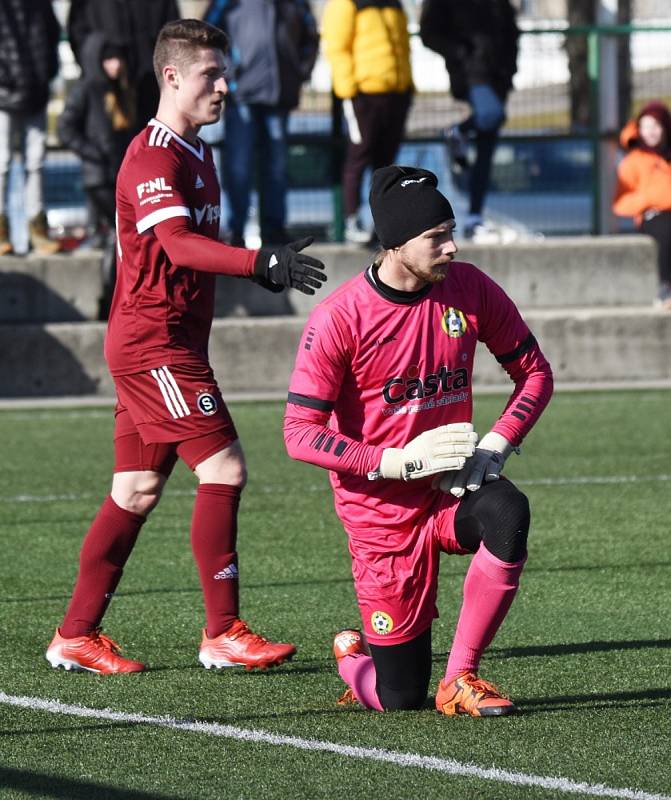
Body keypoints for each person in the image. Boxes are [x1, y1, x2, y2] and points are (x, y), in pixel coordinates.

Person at [46, 18, 327, 674]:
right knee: (224, 469)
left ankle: (74, 635)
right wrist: (257, 261)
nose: (225, 87)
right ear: (171, 76)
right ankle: (222, 632)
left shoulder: (198, 152)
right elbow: (176, 245)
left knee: (136, 490)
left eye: (225, 73)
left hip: (169, 343)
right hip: (154, 347)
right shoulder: (153, 156)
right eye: (211, 75)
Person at [284, 165, 553, 715]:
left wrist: (495, 446)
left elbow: (535, 374)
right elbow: (298, 435)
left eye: (452, 232)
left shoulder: (470, 287)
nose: (452, 247)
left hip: (448, 493)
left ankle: (461, 679)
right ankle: (354, 660)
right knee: (398, 698)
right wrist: (397, 462)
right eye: (437, 237)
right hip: (380, 517)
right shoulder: (339, 318)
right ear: (396, 242)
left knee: (507, 511)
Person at [204, 0, 319, 247]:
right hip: (241, 96)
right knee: (239, 168)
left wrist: (300, 71)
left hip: (279, 95)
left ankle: (274, 229)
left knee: (276, 167)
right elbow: (207, 34)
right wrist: (228, 73)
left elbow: (311, 35)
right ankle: (236, 231)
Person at [419, 0, 519, 241]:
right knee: (491, 115)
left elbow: (511, 30)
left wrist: (511, 65)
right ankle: (458, 130)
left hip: (499, 76)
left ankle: (475, 218)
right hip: (472, 74)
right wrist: (460, 52)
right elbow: (429, 33)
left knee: (487, 145)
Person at [321, 0, 413, 246]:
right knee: (359, 156)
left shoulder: (394, 3)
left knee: (387, 163)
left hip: (396, 92)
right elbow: (337, 47)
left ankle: (382, 223)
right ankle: (352, 220)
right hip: (363, 94)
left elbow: (403, 45)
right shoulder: (346, 4)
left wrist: (407, 84)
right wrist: (348, 89)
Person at [57, 34, 136, 317]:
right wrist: (92, 153)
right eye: (109, 59)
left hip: (117, 176)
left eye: (119, 59)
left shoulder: (121, 91)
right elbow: (66, 128)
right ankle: (110, 298)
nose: (115, 65)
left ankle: (112, 297)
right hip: (100, 177)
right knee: (120, 235)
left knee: (120, 236)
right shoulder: (87, 88)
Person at [0, 0, 61, 256]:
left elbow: (52, 35)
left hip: (36, 89)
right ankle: (3, 231)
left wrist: (45, 74)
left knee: (36, 161)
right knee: (1, 161)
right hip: (4, 92)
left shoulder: (40, 4)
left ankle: (37, 228)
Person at [67, 0, 180, 133]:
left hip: (152, 85)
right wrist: (103, 56)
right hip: (105, 89)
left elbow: (174, 33)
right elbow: (78, 33)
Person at [613, 100, 671, 310]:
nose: (651, 132)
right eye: (646, 126)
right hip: (651, 216)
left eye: (656, 126)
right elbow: (621, 203)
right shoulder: (633, 161)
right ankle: (666, 288)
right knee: (666, 230)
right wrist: (649, 199)